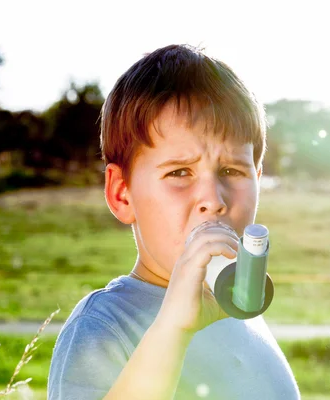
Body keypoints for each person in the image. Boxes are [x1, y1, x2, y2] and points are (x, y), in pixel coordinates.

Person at [47, 44, 300, 400]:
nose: (213, 200)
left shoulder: (238, 312)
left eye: (232, 170)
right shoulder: (103, 325)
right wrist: (173, 330)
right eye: (180, 172)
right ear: (122, 194)